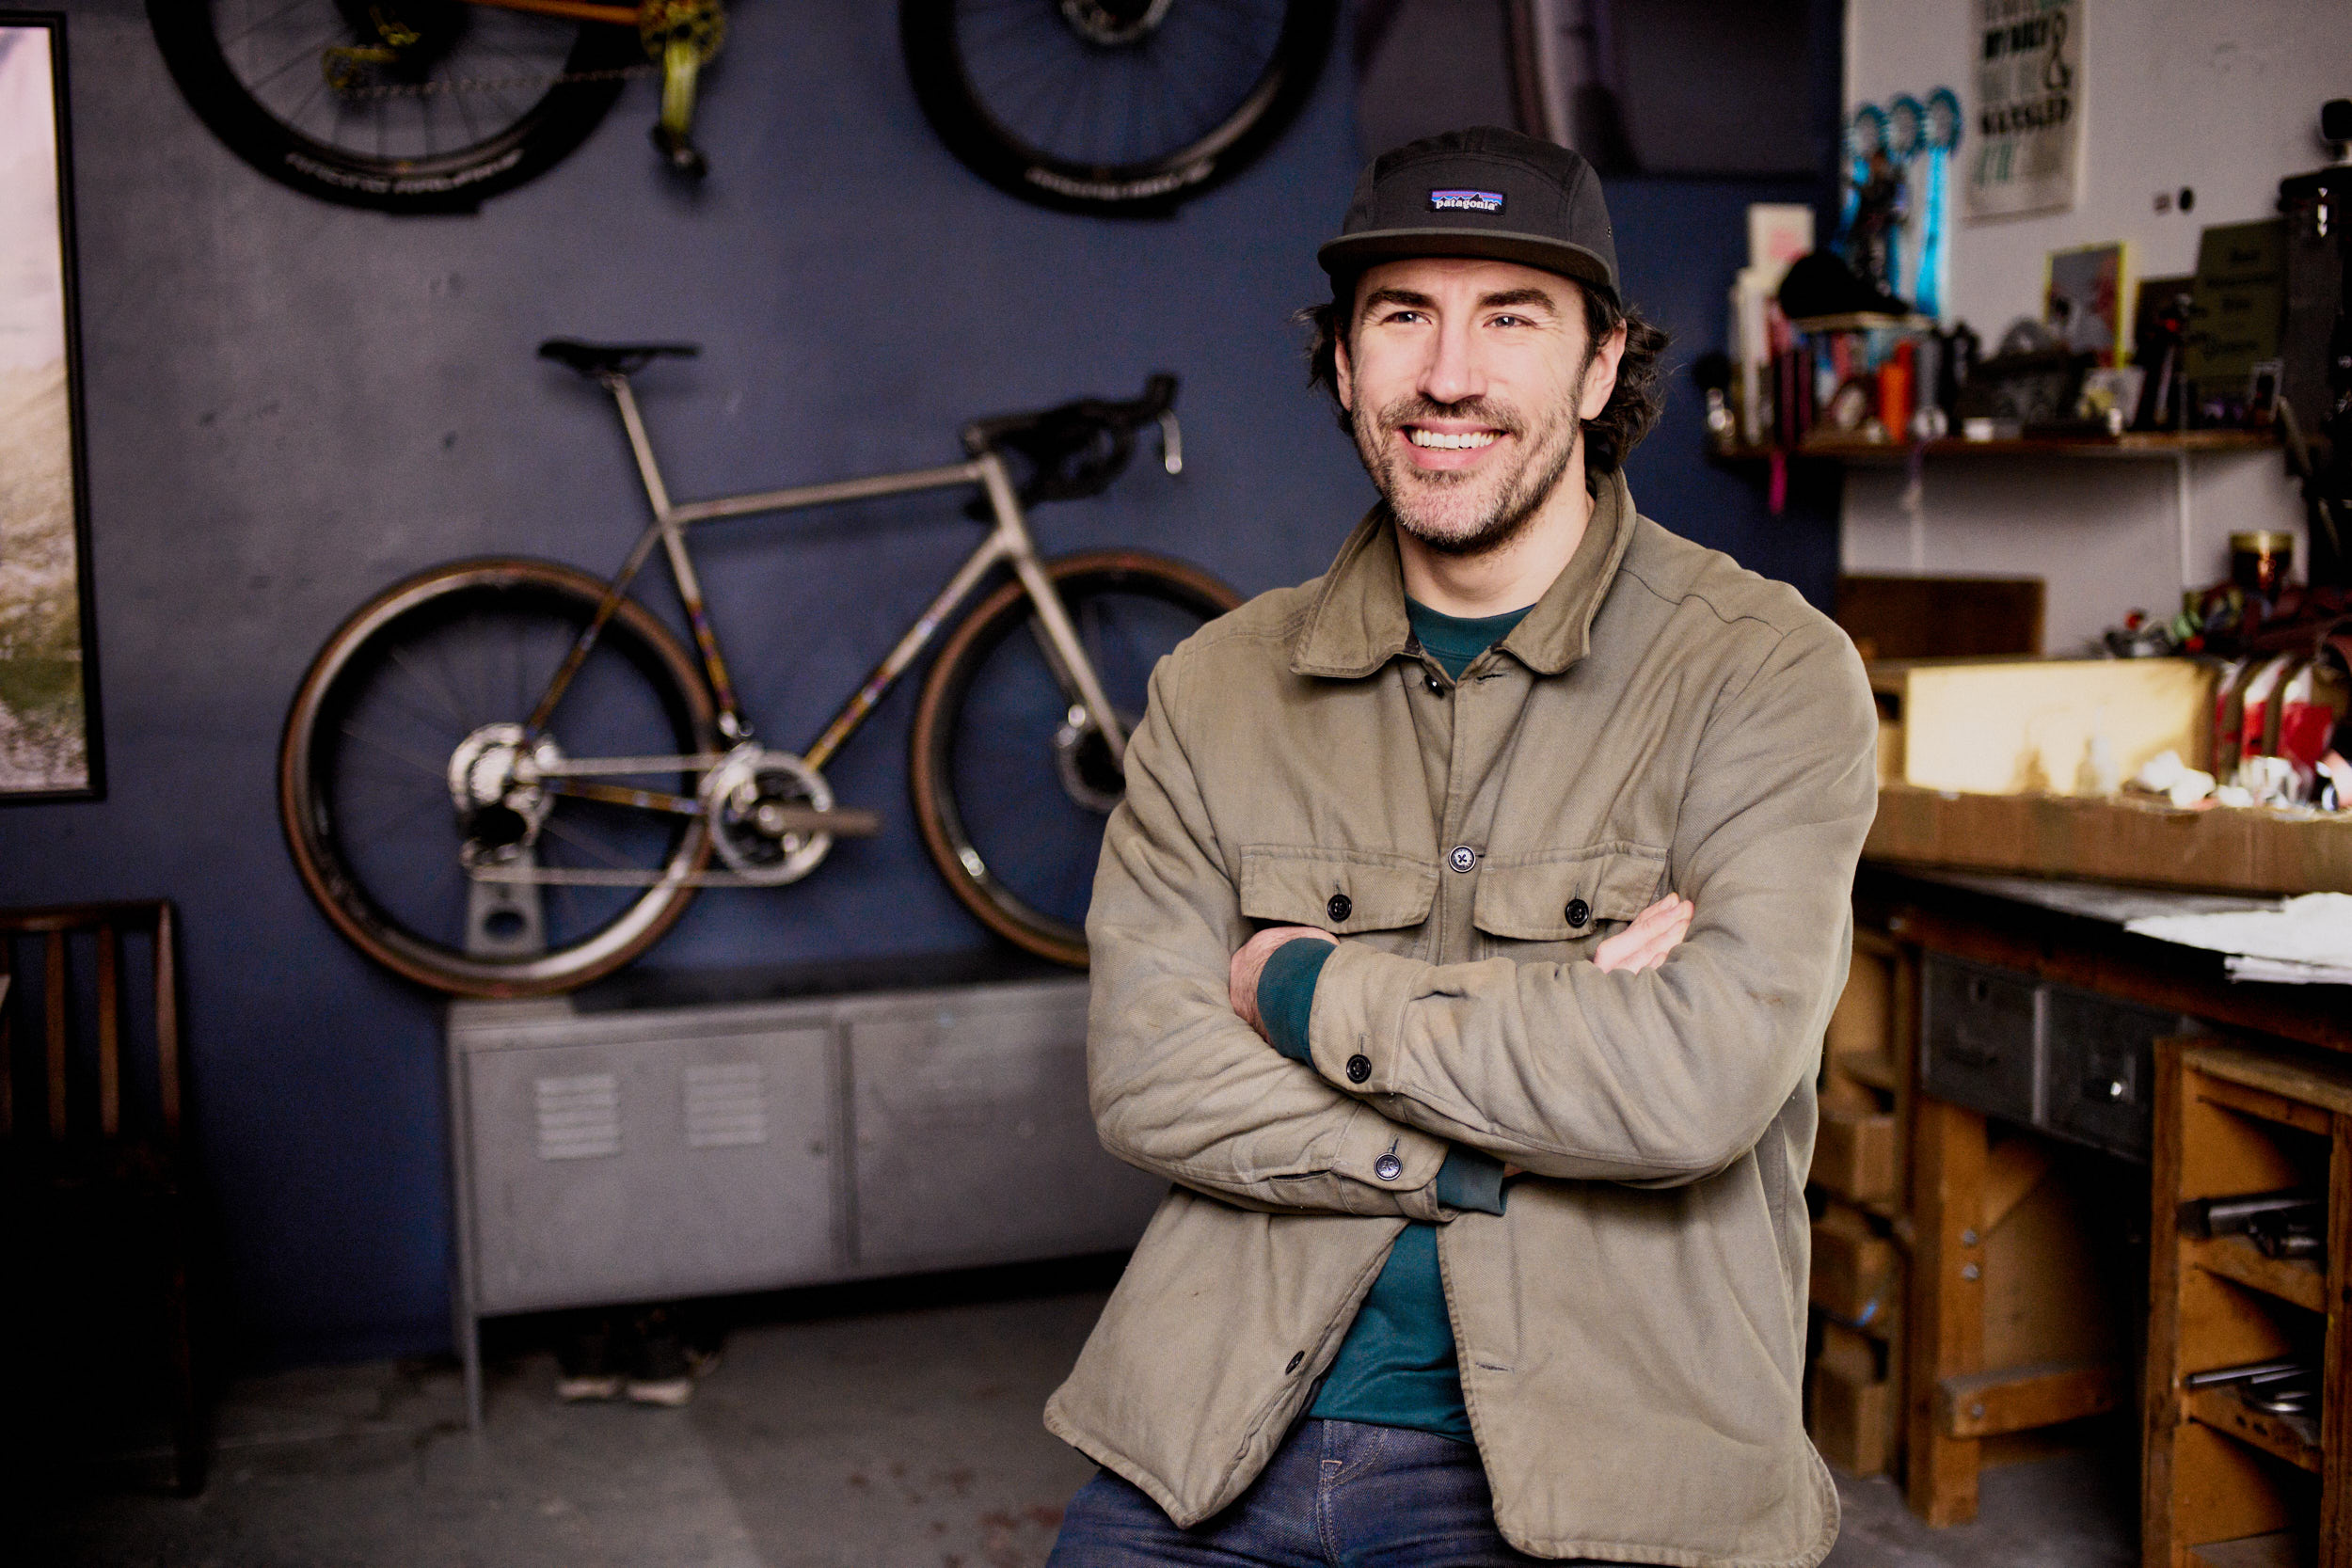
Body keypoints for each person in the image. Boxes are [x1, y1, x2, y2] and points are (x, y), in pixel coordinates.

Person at [1043, 126, 1879, 1567]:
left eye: (1510, 316)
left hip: (1606, 1460)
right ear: (1349, 362)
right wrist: (1503, 1134)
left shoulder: (1766, 672)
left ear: (1601, 364)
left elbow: (1697, 1083)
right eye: (1402, 316)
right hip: (1216, 1419)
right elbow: (1144, 1074)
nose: (1447, 374)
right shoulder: (1219, 688)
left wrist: (1302, 992)